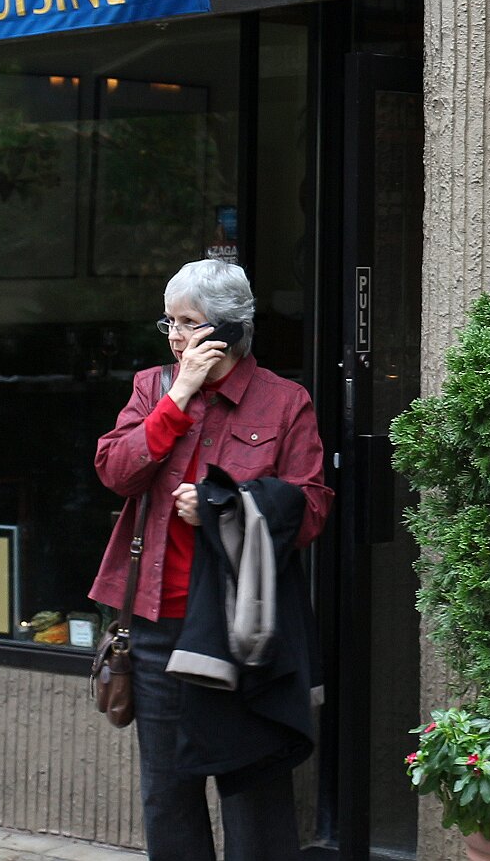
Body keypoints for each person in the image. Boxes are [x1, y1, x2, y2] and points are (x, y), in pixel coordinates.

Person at [92, 260, 331, 861]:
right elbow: (116, 472)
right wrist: (179, 395)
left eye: (187, 322)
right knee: (167, 795)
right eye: (168, 322)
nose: (174, 336)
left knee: (253, 791)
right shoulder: (153, 388)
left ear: (227, 328)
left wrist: (227, 507)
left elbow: (311, 509)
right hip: (157, 627)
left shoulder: (284, 402)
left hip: (239, 629)